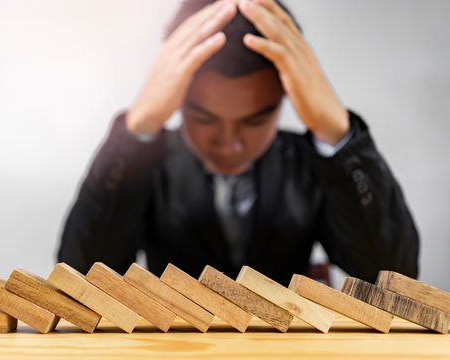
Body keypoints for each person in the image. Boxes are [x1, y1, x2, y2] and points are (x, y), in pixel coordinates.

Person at [57, 0, 419, 285]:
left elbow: (394, 275)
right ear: (175, 95)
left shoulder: (310, 164)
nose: (229, 144)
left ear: (287, 96)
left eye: (255, 120)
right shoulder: (147, 164)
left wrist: (334, 131)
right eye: (203, 118)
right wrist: (140, 126)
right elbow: (80, 274)